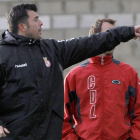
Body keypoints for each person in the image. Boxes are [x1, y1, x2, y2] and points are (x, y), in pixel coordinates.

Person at [0, 4, 140, 140]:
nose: (41, 23)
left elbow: (90, 42)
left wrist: (128, 32)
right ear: (22, 27)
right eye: (36, 20)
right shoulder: (3, 55)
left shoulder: (52, 50)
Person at [62, 19, 140, 140]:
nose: (113, 39)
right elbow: (63, 117)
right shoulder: (75, 75)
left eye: (115, 35)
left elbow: (138, 113)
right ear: (95, 38)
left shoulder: (128, 73)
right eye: (109, 34)